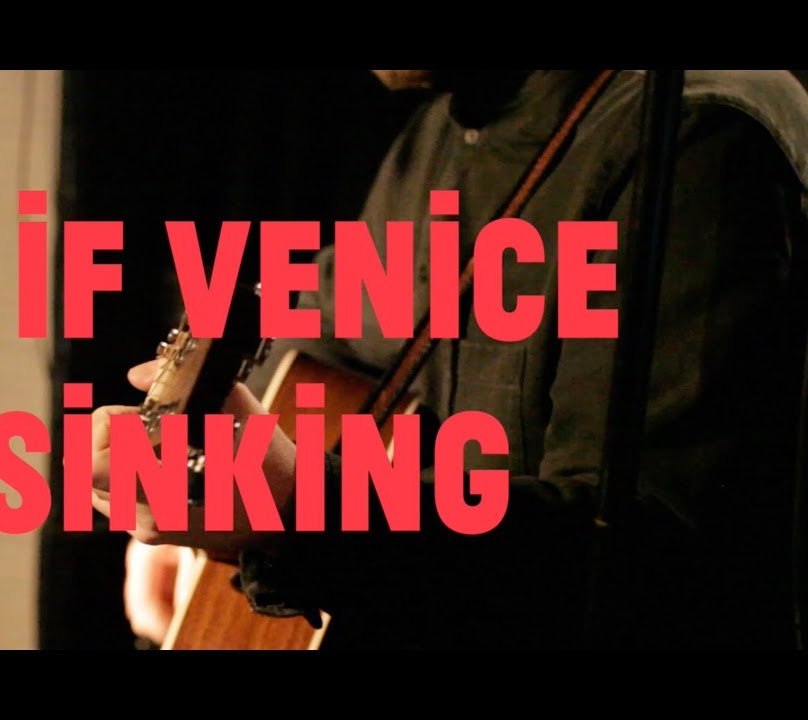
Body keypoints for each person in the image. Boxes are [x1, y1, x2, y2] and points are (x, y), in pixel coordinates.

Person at [91, 69, 808, 649]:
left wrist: (297, 508)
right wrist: (195, 522)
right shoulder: (445, 124)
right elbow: (321, 328)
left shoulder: (698, 139)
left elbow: (646, 568)